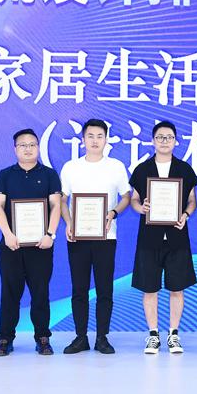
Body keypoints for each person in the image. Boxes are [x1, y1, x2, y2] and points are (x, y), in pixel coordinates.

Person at [60, 119, 131, 354]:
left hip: (106, 236)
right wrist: (69, 223)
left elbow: (126, 196)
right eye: (90, 136)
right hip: (78, 237)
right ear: (83, 139)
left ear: (106, 139)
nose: (95, 141)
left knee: (104, 289)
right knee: (79, 289)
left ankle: (102, 337)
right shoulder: (71, 167)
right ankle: (80, 337)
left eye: (99, 136)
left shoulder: (116, 167)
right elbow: (62, 199)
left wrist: (113, 213)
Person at [129, 121, 197, 354]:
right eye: (160, 137)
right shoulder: (142, 169)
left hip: (177, 236)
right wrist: (141, 208)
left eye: (169, 137)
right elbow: (134, 199)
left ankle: (173, 334)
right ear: (153, 141)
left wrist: (186, 215)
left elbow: (192, 200)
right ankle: (153, 335)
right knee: (150, 288)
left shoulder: (184, 169)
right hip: (149, 237)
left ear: (176, 141)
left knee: (177, 287)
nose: (164, 141)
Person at [0, 128, 62, 356]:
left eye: (32, 144)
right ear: (15, 149)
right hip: (11, 246)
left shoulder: (49, 174)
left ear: (38, 148)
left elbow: (56, 206)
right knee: (9, 294)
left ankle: (43, 338)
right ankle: (5, 339)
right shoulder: (4, 175)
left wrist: (50, 234)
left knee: (40, 294)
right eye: (23, 145)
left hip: (41, 246)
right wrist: (7, 234)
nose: (28, 149)